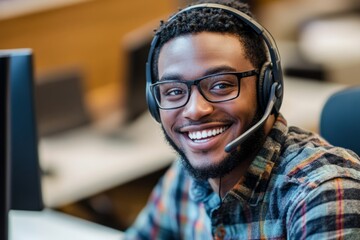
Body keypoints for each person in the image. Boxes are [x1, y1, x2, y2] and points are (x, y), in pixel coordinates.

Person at [124, 0, 360, 239]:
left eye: (220, 85)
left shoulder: (321, 193)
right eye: (174, 91)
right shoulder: (186, 174)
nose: (195, 110)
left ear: (266, 88)